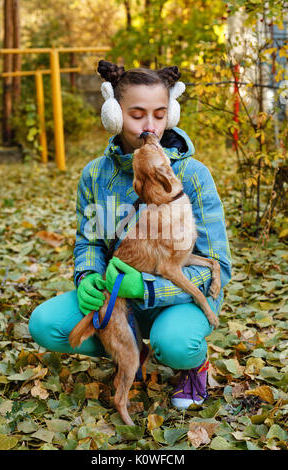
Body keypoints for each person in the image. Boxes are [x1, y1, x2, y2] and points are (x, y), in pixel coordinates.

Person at [29, 60, 231, 409]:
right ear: (113, 113)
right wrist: (88, 274)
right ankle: (129, 349)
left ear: (172, 114)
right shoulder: (95, 175)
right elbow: (89, 241)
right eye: (136, 114)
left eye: (159, 113)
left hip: (179, 296)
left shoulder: (193, 175)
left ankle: (193, 364)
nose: (149, 125)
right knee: (45, 324)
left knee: (177, 343)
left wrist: (150, 287)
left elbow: (219, 265)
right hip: (120, 297)